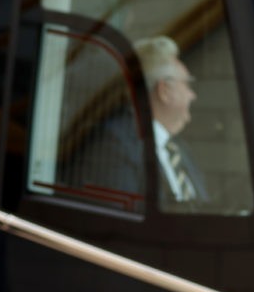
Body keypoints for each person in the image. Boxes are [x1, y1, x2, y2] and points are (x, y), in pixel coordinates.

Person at [70, 35, 209, 210]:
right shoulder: (115, 145)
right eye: (187, 85)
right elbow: (122, 223)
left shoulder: (178, 149)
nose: (192, 95)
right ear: (164, 91)